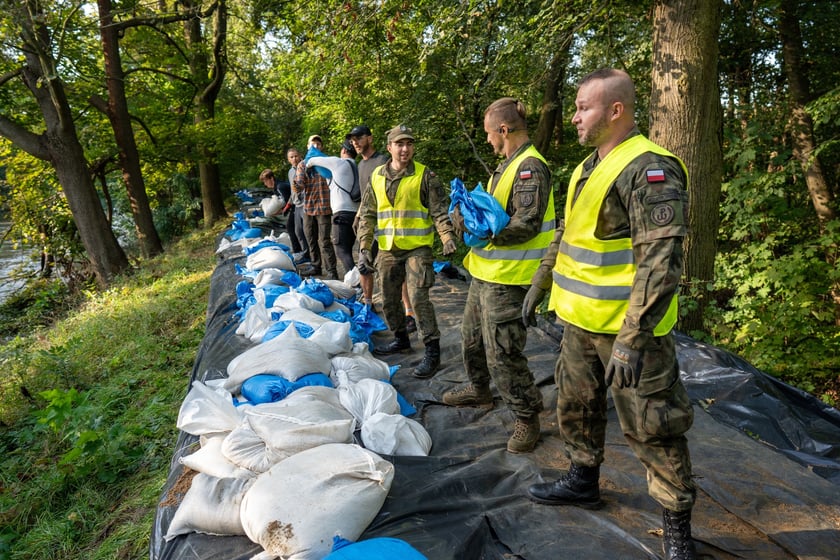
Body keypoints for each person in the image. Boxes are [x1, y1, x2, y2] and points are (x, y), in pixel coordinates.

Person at [521, 68, 696, 560]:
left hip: (630, 334)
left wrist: (631, 340)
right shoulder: (587, 167)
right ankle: (582, 479)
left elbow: (661, 263)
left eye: (584, 108)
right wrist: (541, 281)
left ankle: (676, 528)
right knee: (576, 406)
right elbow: (568, 233)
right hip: (579, 322)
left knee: (653, 427)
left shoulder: (649, 168)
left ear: (615, 110)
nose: (574, 117)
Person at [441, 98, 555, 454]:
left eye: (490, 133)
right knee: (472, 340)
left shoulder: (530, 168)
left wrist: (479, 227)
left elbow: (526, 224)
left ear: (504, 130)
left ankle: (526, 415)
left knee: (502, 352)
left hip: (510, 278)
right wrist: (468, 215)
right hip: (486, 273)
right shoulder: (505, 167)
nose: (488, 140)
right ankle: (480, 389)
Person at [355, 124, 457, 378]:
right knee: (389, 299)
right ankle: (401, 338)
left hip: (417, 248)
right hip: (388, 249)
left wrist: (446, 237)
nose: (405, 149)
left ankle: (432, 350)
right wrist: (365, 247)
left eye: (409, 144)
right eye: (399, 144)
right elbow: (367, 214)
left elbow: (439, 211)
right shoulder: (377, 176)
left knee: (418, 298)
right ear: (389, 148)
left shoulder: (425, 176)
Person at [349, 124, 416, 332]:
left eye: (359, 138)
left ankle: (409, 312)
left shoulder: (382, 161)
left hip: (389, 227)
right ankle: (368, 305)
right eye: (353, 140)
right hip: (369, 224)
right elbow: (367, 196)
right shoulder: (360, 165)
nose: (355, 142)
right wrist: (359, 216)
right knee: (364, 264)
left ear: (370, 138)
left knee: (397, 273)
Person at [305, 137, 360, 276]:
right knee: (348, 249)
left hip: (341, 213)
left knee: (341, 250)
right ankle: (354, 280)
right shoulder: (356, 166)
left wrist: (311, 151)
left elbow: (312, 160)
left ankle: (357, 282)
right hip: (355, 213)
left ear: (344, 150)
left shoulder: (338, 163)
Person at [293, 135, 338, 279]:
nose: (316, 147)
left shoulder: (328, 162)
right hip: (309, 207)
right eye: (313, 144)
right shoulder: (303, 164)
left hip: (325, 207)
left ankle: (332, 271)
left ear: (322, 147)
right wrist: (296, 185)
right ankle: (315, 266)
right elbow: (300, 185)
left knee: (325, 241)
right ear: (308, 147)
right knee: (310, 239)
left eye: (318, 144)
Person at [283, 148, 309, 263]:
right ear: (288, 160)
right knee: (298, 231)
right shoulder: (290, 172)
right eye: (291, 157)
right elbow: (292, 191)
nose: (294, 159)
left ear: (300, 156)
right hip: (296, 205)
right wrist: (289, 204)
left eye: (296, 156)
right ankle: (306, 254)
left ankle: (312, 256)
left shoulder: (306, 167)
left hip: (306, 203)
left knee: (307, 232)